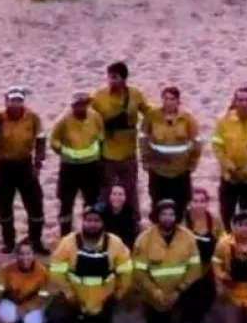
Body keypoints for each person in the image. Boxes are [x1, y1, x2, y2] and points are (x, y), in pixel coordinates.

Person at [47, 203, 133, 323]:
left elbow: (126, 272)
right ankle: (75, 321)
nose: (92, 224)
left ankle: (87, 322)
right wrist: (68, 293)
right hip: (74, 299)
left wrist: (117, 296)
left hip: (101, 301)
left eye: (96, 221)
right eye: (88, 220)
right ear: (83, 222)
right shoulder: (68, 242)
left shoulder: (115, 243)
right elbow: (56, 272)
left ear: (103, 223)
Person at [132, 200, 207, 323]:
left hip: (182, 289)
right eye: (163, 214)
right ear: (157, 216)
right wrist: (155, 291)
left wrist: (179, 290)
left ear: (177, 216)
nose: (168, 218)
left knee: (200, 287)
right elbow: (139, 272)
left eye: (171, 214)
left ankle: (187, 321)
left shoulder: (188, 237)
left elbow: (195, 268)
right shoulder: (143, 239)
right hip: (156, 292)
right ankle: (150, 308)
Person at [0, 86, 48, 255]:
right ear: (6, 101)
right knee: (4, 205)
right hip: (4, 165)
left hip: (25, 164)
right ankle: (9, 242)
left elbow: (41, 138)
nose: (16, 104)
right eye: (12, 100)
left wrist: (38, 163)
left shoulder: (33, 117)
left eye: (19, 100)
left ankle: (36, 241)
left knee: (35, 204)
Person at [92, 62, 149, 219]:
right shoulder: (99, 95)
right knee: (106, 192)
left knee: (130, 191)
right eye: (109, 77)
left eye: (115, 77)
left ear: (124, 79)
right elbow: (89, 117)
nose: (111, 80)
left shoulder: (135, 94)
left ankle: (133, 224)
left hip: (128, 153)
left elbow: (149, 112)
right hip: (107, 153)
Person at [139, 86, 202, 220]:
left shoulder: (187, 119)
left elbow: (197, 141)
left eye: (172, 99)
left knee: (181, 206)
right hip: (158, 171)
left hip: (180, 171)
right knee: (157, 205)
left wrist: (193, 162)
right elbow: (143, 137)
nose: (168, 102)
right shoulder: (152, 116)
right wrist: (145, 159)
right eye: (165, 99)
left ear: (178, 101)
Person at [212, 86, 247, 229]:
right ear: (235, 102)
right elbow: (217, 146)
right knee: (227, 213)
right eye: (241, 100)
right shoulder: (223, 121)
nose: (244, 103)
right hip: (228, 177)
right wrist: (229, 166)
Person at [50, 91, 105, 237]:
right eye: (77, 105)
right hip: (69, 168)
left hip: (91, 166)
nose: (81, 108)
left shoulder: (95, 117)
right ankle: (65, 234)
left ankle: (90, 232)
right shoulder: (64, 120)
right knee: (66, 203)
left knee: (91, 202)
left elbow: (101, 136)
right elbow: (53, 139)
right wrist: (63, 151)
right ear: (73, 106)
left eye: (83, 104)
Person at [0, 239, 52, 323]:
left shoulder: (42, 272)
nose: (25, 258)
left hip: (30, 304)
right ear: (17, 255)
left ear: (33, 255)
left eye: (28, 253)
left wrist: (26, 308)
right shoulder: (6, 269)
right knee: (6, 316)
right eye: (21, 254)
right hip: (11, 302)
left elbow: (43, 297)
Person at [184, 186, 225, 321]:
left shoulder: (215, 220)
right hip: (187, 266)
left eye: (202, 201)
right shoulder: (183, 221)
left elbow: (222, 243)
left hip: (207, 266)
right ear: (190, 203)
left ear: (207, 203)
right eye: (195, 201)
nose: (199, 205)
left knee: (209, 295)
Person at [103, 184, 139, 249]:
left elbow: (132, 239)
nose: (117, 197)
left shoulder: (132, 215)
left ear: (125, 197)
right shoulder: (101, 213)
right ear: (109, 196)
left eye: (120, 194)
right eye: (114, 194)